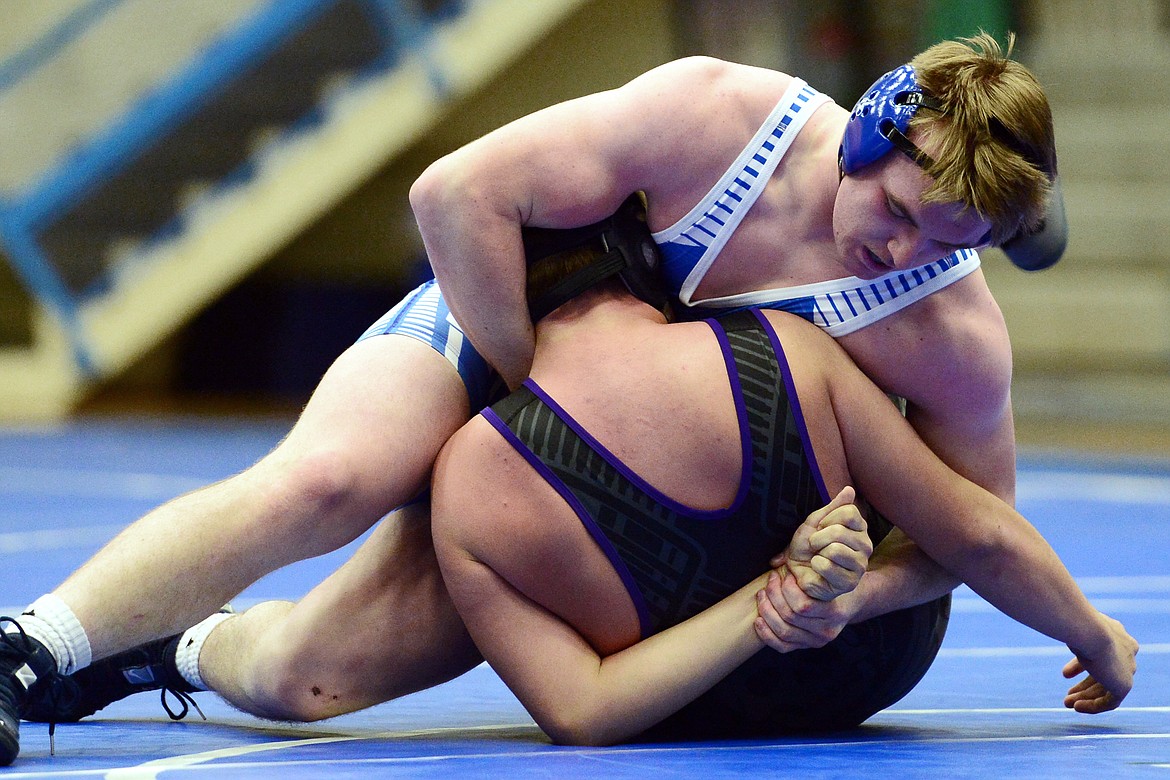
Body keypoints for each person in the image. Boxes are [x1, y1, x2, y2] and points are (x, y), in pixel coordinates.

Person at [0, 32, 1065, 764]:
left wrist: (840, 603)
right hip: (510, 321)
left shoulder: (951, 333)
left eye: (944, 242)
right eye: (896, 206)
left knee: (304, 678)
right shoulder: (718, 119)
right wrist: (530, 401)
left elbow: (970, 538)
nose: (897, 248)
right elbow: (456, 192)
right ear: (874, 127)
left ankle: (173, 647)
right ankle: (31, 645)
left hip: (632, 493)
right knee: (330, 475)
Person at [429, 248, 1135, 745]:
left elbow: (582, 712)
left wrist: (756, 611)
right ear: (648, 262)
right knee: (917, 512)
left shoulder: (466, 474)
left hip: (672, 716)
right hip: (870, 666)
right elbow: (976, 536)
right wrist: (1091, 632)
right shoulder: (787, 347)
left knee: (331, 656)